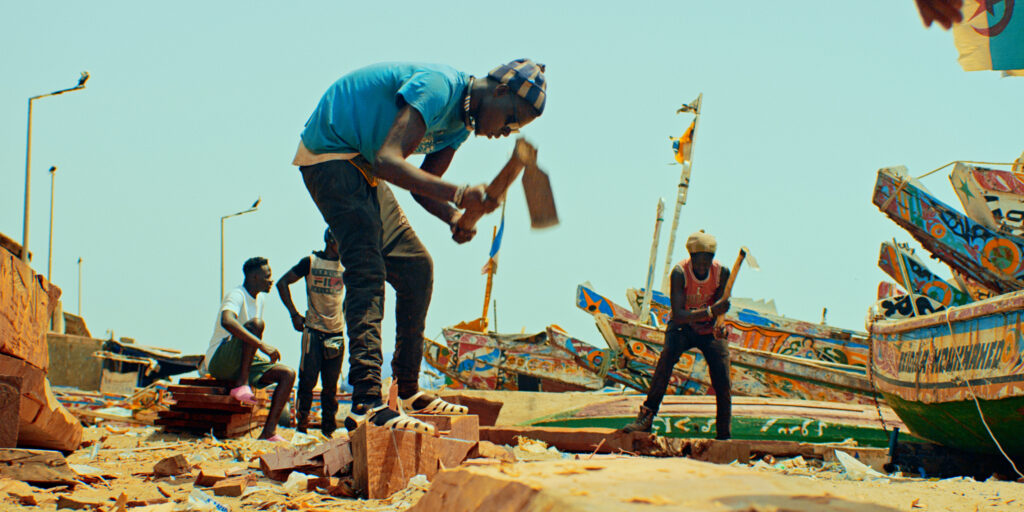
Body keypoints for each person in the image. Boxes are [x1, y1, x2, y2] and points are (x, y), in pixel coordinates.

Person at [293, 59, 547, 434]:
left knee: (416, 268)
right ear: (497, 91)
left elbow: (421, 185)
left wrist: (454, 218)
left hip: (365, 169)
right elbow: (388, 160)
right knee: (367, 267)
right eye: (510, 118)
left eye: (516, 129)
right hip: (330, 153)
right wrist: (461, 194)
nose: (507, 132)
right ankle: (364, 402)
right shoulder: (438, 87)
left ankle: (409, 391)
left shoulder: (459, 127)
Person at [621, 231, 732, 439]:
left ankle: (724, 434)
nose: (702, 268)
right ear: (691, 257)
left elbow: (721, 306)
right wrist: (710, 312)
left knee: (723, 379)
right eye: (698, 263)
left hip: (708, 329)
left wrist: (719, 323)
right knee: (666, 360)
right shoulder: (680, 272)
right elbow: (679, 314)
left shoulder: (722, 272)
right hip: (683, 327)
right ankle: (646, 418)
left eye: (706, 263)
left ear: (712, 260)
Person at [203, 257, 295, 442]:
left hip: (241, 361)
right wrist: (262, 345)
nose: (271, 280)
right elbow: (227, 321)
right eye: (267, 276)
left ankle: (268, 432)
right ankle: (242, 384)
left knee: (288, 374)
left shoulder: (260, 299)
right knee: (256, 325)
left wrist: (257, 350)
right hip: (220, 359)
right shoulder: (237, 295)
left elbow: (249, 341)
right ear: (254, 277)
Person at [276, 228, 345, 437]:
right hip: (314, 331)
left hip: (336, 332)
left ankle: (329, 429)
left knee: (331, 386)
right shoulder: (311, 262)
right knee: (307, 381)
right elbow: (282, 283)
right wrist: (294, 314)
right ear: (331, 241)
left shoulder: (346, 265)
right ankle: (302, 426)